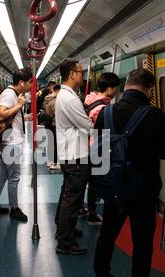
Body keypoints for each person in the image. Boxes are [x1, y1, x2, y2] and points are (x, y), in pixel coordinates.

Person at [93, 69, 165, 277]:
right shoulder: (155, 115)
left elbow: (100, 151)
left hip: (114, 187)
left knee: (107, 235)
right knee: (143, 241)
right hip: (143, 191)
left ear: (126, 85)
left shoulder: (106, 113)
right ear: (149, 90)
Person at [55, 59, 93, 255]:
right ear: (71, 74)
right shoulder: (70, 99)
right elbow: (87, 125)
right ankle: (65, 242)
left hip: (69, 153)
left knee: (67, 194)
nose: (82, 74)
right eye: (80, 71)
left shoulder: (65, 95)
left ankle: (63, 229)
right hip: (75, 155)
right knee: (73, 199)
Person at [0, 68, 33, 222]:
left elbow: (10, 115)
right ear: (21, 82)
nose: (32, 85)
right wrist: (19, 105)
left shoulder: (14, 94)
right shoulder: (9, 94)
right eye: (30, 82)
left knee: (4, 173)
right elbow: (1, 114)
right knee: (14, 177)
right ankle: (14, 209)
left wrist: (23, 118)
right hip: (10, 142)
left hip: (11, 139)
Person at [83, 72, 120, 226]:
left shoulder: (91, 99)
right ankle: (92, 213)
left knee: (91, 180)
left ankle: (86, 208)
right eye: (116, 87)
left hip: (87, 145)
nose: (117, 90)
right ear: (110, 89)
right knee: (95, 181)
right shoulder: (101, 108)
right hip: (96, 147)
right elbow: (101, 131)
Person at [43, 84, 61, 170]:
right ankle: (55, 162)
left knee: (50, 143)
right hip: (54, 124)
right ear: (57, 91)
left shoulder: (47, 98)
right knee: (56, 143)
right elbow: (57, 114)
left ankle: (50, 161)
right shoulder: (55, 101)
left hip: (47, 123)